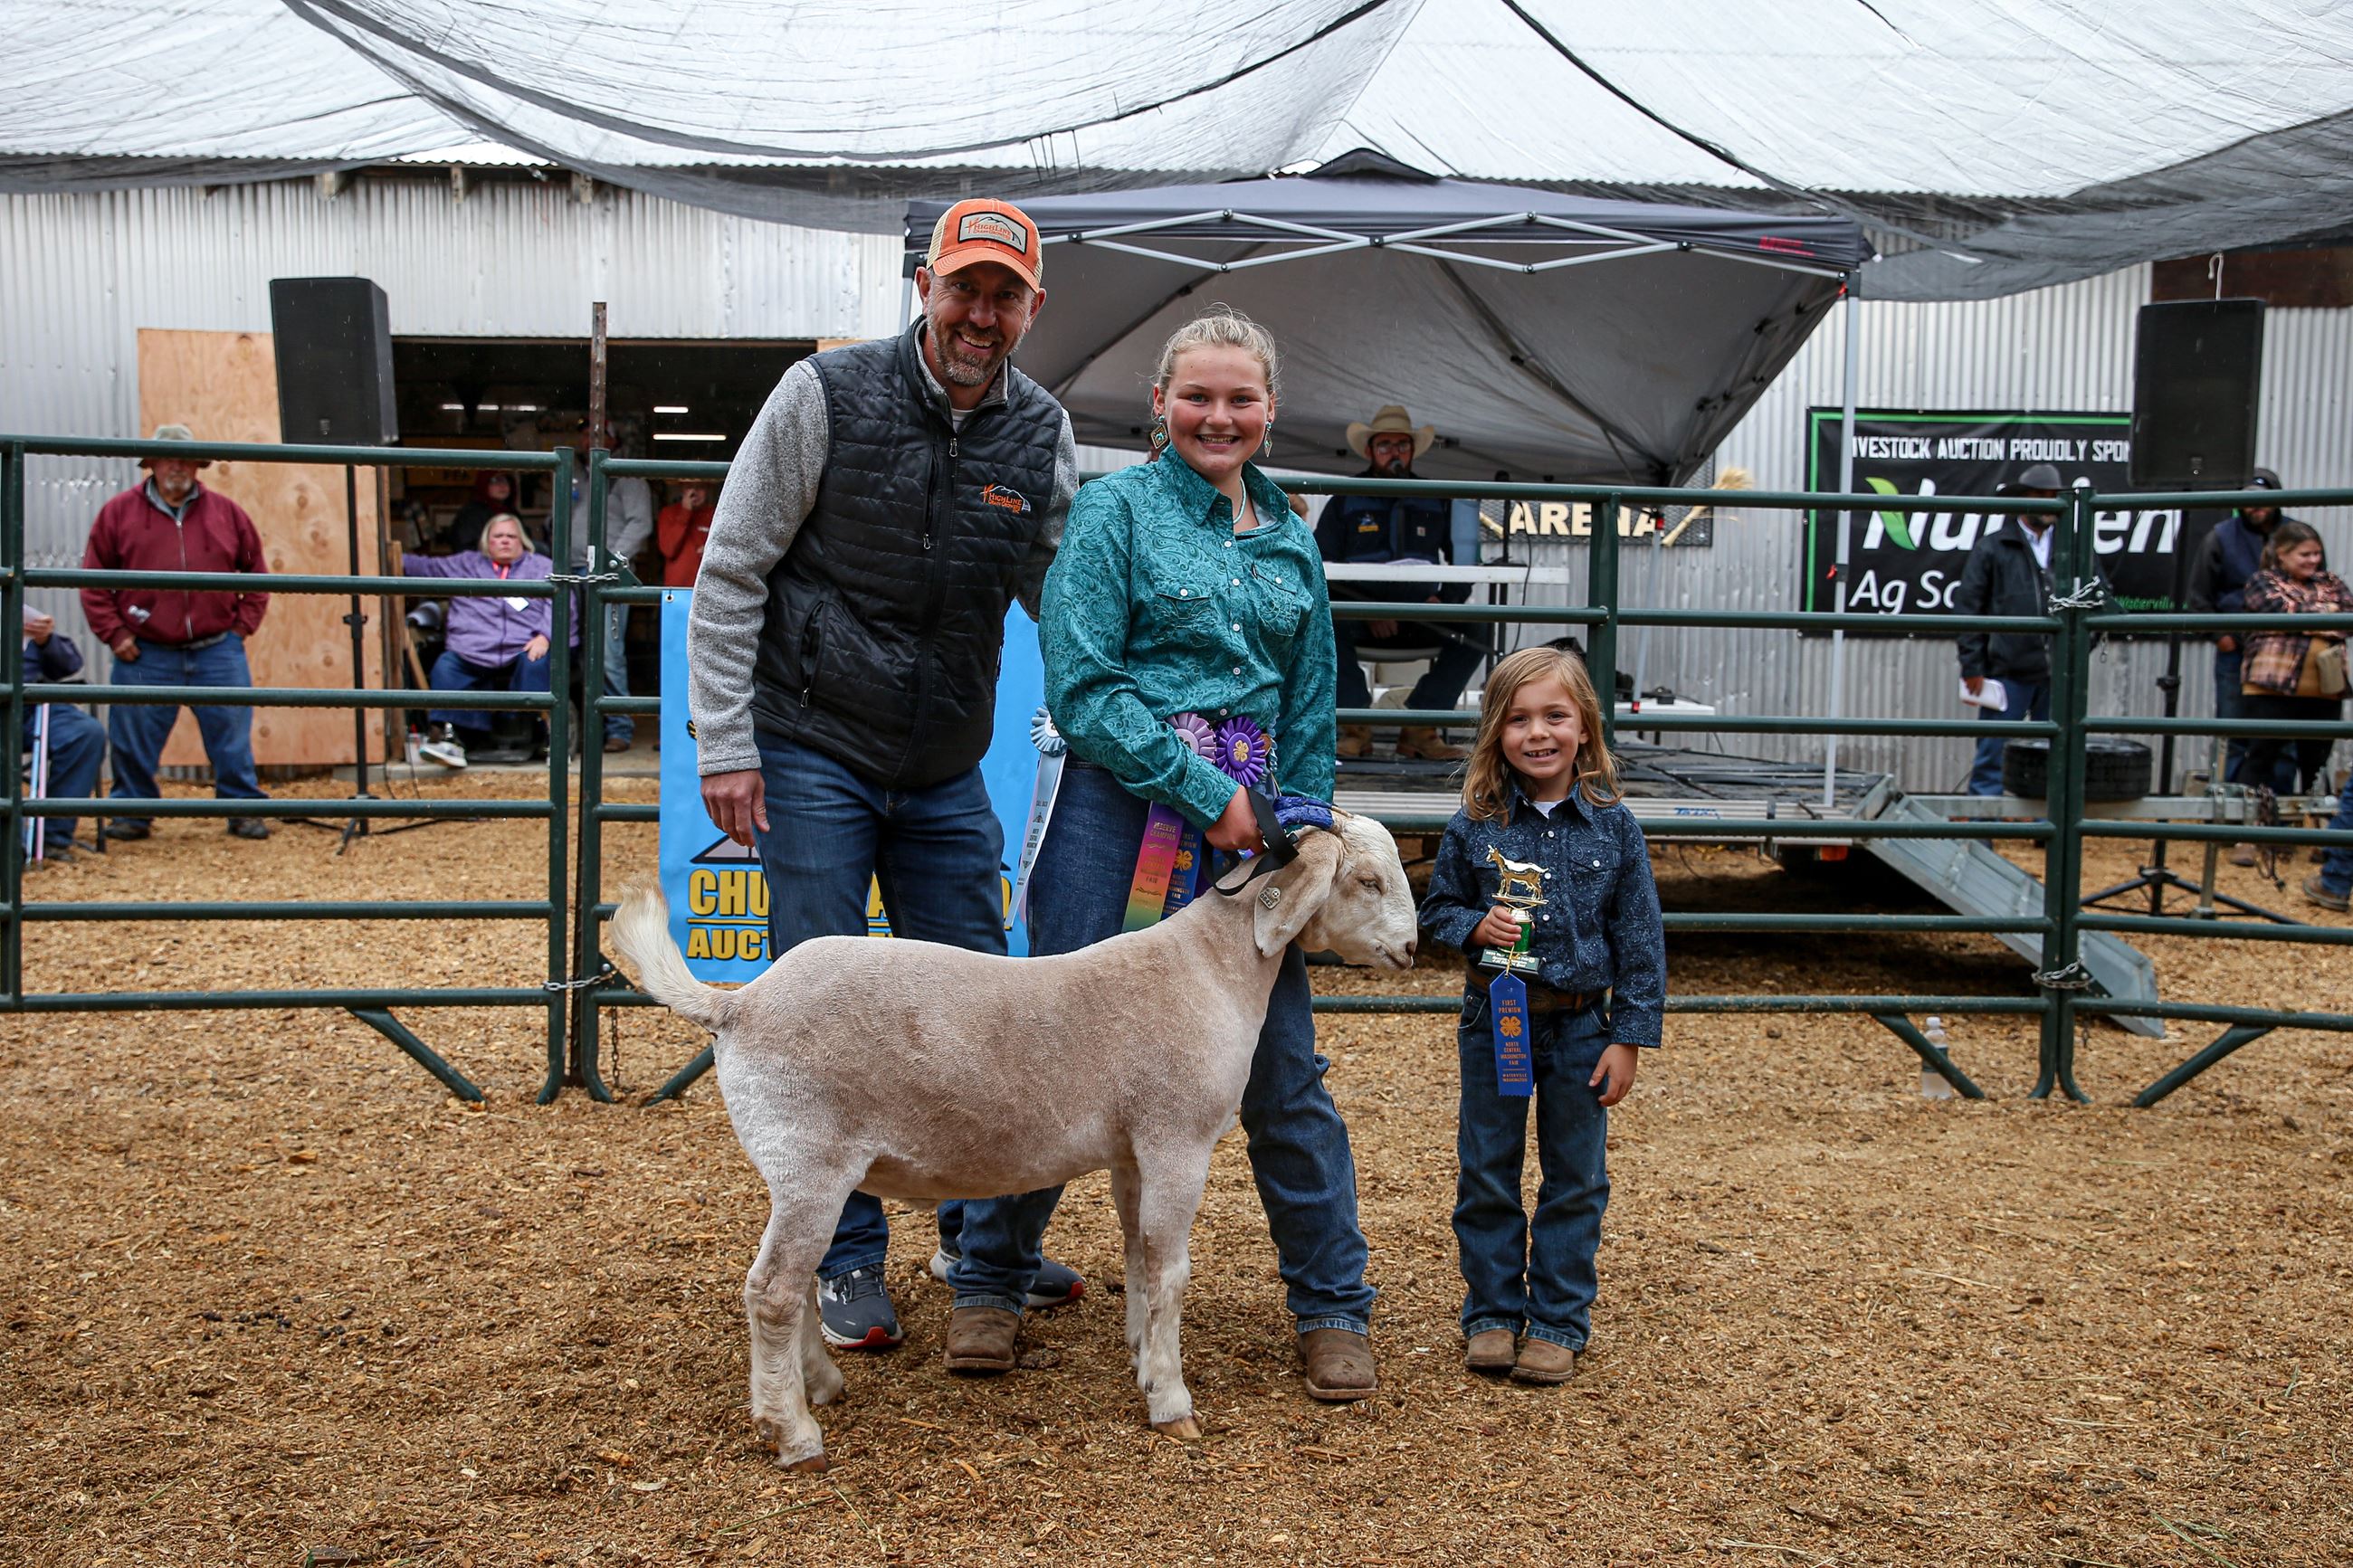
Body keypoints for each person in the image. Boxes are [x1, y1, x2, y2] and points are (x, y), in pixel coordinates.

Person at [948, 309, 1384, 1402]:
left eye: (1239, 398)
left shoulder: (1290, 539)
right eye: (1196, 396)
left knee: (1279, 1061)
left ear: (1269, 409)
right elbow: (1083, 685)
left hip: (1252, 829)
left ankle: (1332, 1301)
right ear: (1159, 404)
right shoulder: (1113, 512)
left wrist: (1302, 822)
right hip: (1118, 810)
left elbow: (1308, 709)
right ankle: (991, 1278)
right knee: (1049, 1045)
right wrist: (1205, 791)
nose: (1216, 416)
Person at [689, 197, 1082, 1352]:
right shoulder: (821, 395)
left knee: (984, 1007)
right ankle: (843, 1255)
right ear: (924, 286)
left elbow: (1060, 595)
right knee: (825, 1015)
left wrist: (1143, 700)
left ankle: (978, 1240)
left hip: (946, 759)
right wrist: (726, 742)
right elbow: (732, 570)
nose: (980, 314)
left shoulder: (1041, 431)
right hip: (812, 743)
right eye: (964, 288)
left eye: (1004, 296)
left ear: (1033, 308)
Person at [1417, 643, 1663, 1383]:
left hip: (1584, 1025)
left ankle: (1558, 1319)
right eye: (1519, 719)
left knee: (1576, 1176)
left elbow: (1640, 939)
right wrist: (1473, 926)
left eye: (1555, 715)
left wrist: (1629, 1037)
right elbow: (1438, 907)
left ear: (1584, 726)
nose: (1538, 733)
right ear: (1497, 731)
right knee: (1488, 1169)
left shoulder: (1616, 827)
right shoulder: (1474, 823)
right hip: (1498, 1019)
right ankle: (1492, 1313)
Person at [80, 423, 272, 843]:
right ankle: (132, 812)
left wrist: (241, 628)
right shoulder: (118, 513)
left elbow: (256, 573)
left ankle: (243, 809)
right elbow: (93, 580)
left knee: (232, 737)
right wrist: (115, 633)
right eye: (168, 459)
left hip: (217, 647)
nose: (177, 467)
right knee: (132, 738)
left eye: (186, 459)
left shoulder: (228, 514)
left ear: (198, 465)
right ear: (152, 463)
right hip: (145, 650)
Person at [1317, 404, 1486, 763]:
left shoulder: (1436, 498)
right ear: (1370, 451)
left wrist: (1446, 601)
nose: (1394, 453)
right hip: (1358, 618)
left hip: (1421, 616)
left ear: (1412, 451)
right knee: (1323, 624)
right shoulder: (1344, 498)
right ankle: (1355, 727)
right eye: (1385, 445)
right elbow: (1320, 566)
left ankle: (1421, 727)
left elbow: (1465, 559)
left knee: (1477, 629)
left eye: (1402, 445)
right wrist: (1368, 608)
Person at [2187, 468, 2298, 861]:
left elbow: (2316, 586)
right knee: (2236, 734)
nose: (2255, 506)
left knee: (2284, 738)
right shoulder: (2221, 536)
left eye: (2263, 498)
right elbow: (2199, 596)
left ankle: (2277, 823)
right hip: (2238, 650)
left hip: (2285, 652)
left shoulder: (2296, 536)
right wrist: (2221, 635)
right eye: (2249, 498)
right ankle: (2234, 820)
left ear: (2277, 499)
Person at [402, 513, 555, 769]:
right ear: (486, 541)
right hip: (472, 648)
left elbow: (563, 605)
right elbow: (423, 567)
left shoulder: (542, 567)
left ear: (523, 541)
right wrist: (379, 551)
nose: (505, 541)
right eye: (498, 536)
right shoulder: (465, 564)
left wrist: (545, 636)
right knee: (446, 666)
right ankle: (453, 737)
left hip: (522, 646)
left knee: (537, 664)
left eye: (511, 536)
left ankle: (542, 734)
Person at [1955, 462, 2063, 796]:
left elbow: (2096, 595)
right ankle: (1984, 825)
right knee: (1993, 755)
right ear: (2023, 499)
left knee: (2055, 756)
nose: (2047, 502)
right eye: (2039, 495)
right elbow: (1969, 607)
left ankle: (2045, 824)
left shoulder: (2071, 547)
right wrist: (1973, 666)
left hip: (2057, 671)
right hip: (2007, 670)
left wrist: (2075, 652)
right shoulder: (1993, 547)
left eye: (2052, 496)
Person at [2234, 521, 2349, 804]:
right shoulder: (2261, 581)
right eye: (2305, 554)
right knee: (2261, 757)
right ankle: (2247, 822)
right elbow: (2277, 610)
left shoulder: (2331, 581)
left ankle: (2311, 824)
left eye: (2316, 553)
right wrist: (2326, 613)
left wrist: (2300, 618)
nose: (2313, 560)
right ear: (2282, 554)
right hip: (2271, 687)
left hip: (2324, 691)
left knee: (2316, 764)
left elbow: (2347, 616)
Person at [573, 421, 655, 754]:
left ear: (614, 439)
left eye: (598, 433)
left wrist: (612, 561)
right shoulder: (577, 475)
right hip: (573, 573)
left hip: (607, 576)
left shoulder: (625, 475)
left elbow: (641, 523)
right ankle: (590, 727)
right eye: (585, 433)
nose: (590, 439)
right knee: (579, 652)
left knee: (608, 654)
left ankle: (619, 726)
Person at [20, 608, 108, 863]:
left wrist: (45, 639)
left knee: (85, 733)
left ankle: (52, 837)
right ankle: (12, 846)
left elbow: (69, 665)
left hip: (29, 707)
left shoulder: (14, 609)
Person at [657, 480, 717, 588]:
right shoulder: (668, 513)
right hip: (676, 589)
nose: (694, 493)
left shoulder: (715, 515)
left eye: (700, 487)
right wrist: (685, 512)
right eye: (689, 487)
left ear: (708, 489)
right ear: (682, 489)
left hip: (706, 588)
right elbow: (669, 550)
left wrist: (711, 550)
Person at [451, 470, 522, 555]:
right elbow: (465, 549)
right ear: (484, 484)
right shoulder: (471, 513)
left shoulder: (512, 513)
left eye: (507, 481)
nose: (503, 485)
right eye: (495, 481)